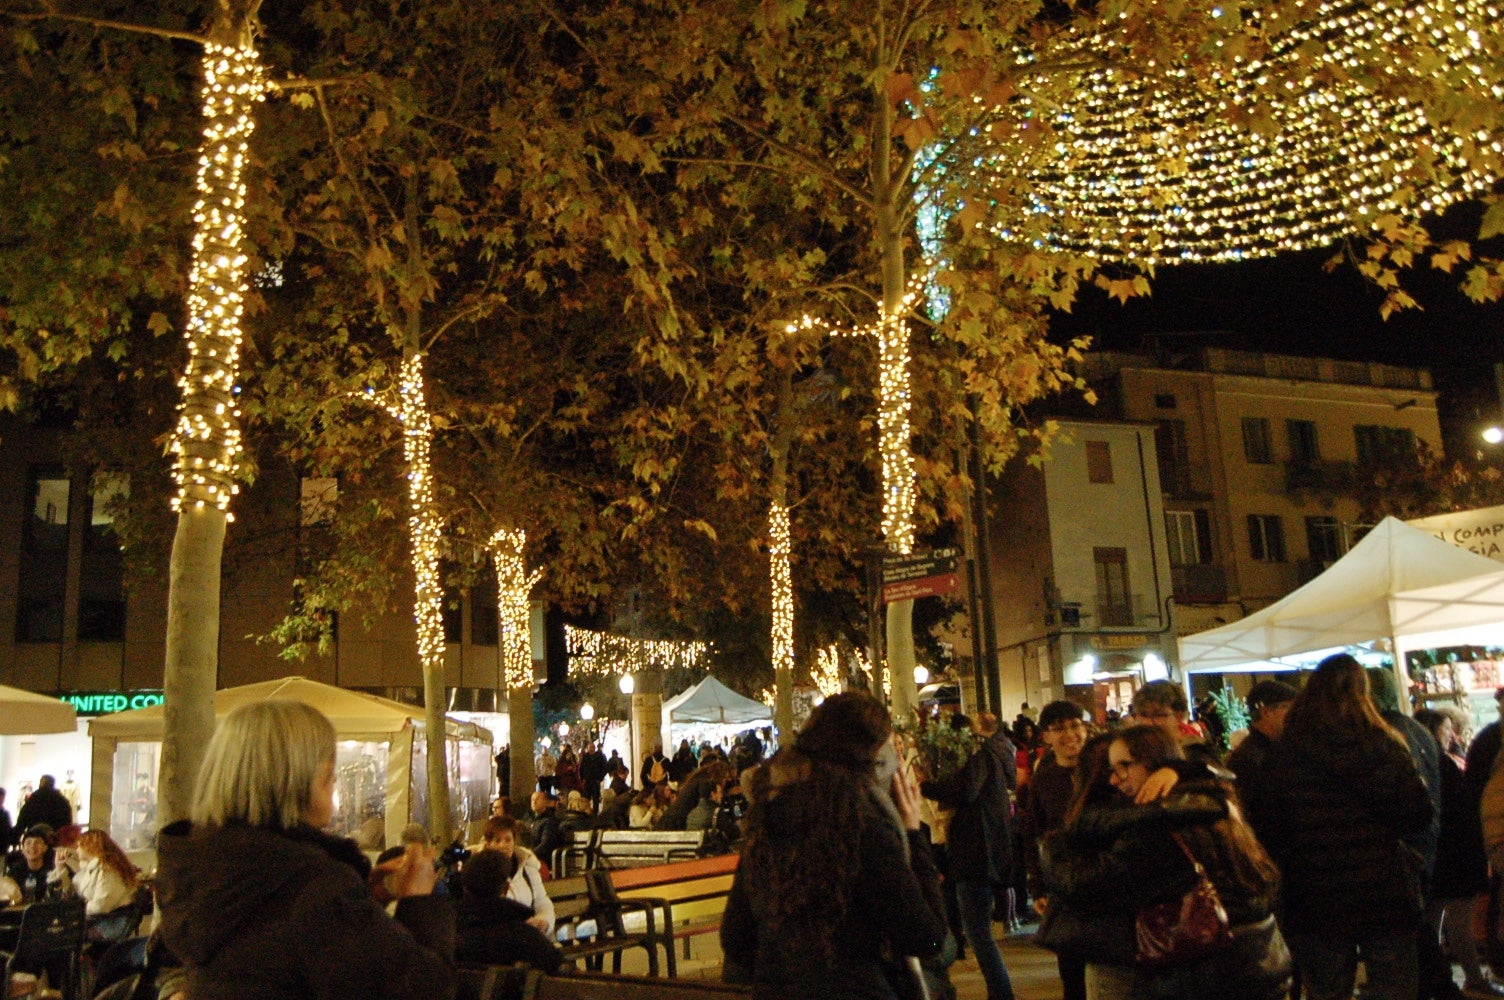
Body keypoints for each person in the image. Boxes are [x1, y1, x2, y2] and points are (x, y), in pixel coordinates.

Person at [155, 700, 456, 1000]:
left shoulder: (198, 868)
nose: (335, 782)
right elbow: (421, 988)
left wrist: (367, 900)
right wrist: (419, 904)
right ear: (292, 783)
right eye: (327, 774)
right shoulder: (315, 887)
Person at [721, 691, 947, 999]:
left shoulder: (769, 819)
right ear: (871, 758)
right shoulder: (863, 826)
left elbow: (736, 939)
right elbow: (928, 939)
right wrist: (912, 836)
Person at [1042, 724, 1289, 1000]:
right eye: (1112, 769)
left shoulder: (1158, 823)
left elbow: (1086, 883)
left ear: (1156, 765)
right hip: (1261, 954)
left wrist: (1053, 850)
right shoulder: (1208, 799)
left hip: (1222, 966)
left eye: (1125, 766)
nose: (1115, 780)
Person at [1249, 653, 1432, 1000]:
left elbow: (1267, 828)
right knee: (1394, 987)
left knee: (1327, 991)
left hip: (1315, 895)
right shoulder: (1385, 746)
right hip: (1384, 892)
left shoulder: (1284, 756)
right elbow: (1418, 816)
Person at [920, 713, 1017, 1000]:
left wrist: (929, 786)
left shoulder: (979, 756)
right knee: (978, 932)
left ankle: (1001, 993)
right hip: (981, 854)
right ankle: (999, 992)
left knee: (978, 933)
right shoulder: (990, 755)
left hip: (976, 856)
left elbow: (966, 790)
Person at [1416, 709, 1504, 997]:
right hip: (1456, 854)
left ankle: (1436, 975)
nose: (1451, 735)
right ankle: (1470, 978)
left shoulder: (1428, 761)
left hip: (1441, 855)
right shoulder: (1440, 763)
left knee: (1436, 919)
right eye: (1446, 729)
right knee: (1457, 921)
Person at [1022, 700, 1089, 1000]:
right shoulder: (1044, 780)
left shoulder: (1104, 770)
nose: (1070, 734)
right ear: (1046, 737)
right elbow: (1034, 835)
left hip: (1106, 886)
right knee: (1072, 976)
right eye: (1059, 729)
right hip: (1065, 890)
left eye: (1075, 725)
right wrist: (1037, 886)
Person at [455, 850, 564, 972]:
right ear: (506, 888)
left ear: (464, 886)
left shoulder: (447, 931)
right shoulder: (523, 937)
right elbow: (561, 970)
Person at [478, 815, 555, 939]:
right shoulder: (481, 872)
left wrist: (543, 921)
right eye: (497, 841)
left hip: (530, 934)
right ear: (488, 844)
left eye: (508, 840)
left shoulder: (527, 867)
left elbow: (542, 901)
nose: (504, 845)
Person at [59, 829, 140, 943]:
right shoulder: (98, 867)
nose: (77, 850)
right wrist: (66, 862)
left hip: (110, 924)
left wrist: (75, 912)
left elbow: (101, 906)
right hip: (101, 920)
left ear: (90, 846)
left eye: (79, 846)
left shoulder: (108, 871)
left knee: (63, 936)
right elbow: (80, 881)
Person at [14, 775, 72, 841]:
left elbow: (22, 820)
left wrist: (15, 837)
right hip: (55, 839)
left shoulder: (33, 800)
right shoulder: (62, 801)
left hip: (35, 839)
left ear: (41, 783)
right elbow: (67, 823)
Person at [6, 824, 53, 903]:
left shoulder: (52, 869)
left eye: (37, 842)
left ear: (45, 848)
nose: (32, 846)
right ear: (23, 850)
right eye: (28, 843)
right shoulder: (15, 871)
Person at [579, 741, 609, 808]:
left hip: (596, 780)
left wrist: (600, 778)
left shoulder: (599, 756)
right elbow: (581, 768)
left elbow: (604, 768)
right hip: (587, 781)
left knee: (596, 799)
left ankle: (595, 814)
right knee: (586, 798)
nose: (591, 749)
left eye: (592, 747)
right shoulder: (585, 757)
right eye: (590, 747)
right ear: (588, 748)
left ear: (594, 748)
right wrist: (582, 778)